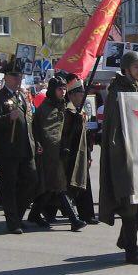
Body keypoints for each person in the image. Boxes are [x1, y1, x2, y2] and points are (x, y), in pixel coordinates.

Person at [98, 49, 138, 264]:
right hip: (122, 153)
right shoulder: (117, 92)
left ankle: (125, 239)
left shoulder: (135, 88)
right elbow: (115, 125)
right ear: (126, 68)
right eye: (136, 67)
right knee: (129, 202)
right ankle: (132, 250)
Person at [0, 59, 39, 234]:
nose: (18, 79)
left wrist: (34, 141)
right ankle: (12, 221)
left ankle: (18, 215)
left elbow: (29, 121)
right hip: (8, 149)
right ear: (7, 77)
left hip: (25, 147)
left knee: (32, 180)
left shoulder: (21, 96)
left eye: (20, 76)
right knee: (9, 186)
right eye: (15, 76)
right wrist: (9, 117)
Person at [32, 74, 86, 231]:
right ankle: (74, 220)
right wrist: (57, 146)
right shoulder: (45, 108)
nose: (62, 92)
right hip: (50, 154)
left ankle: (34, 214)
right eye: (59, 89)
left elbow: (67, 130)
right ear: (52, 90)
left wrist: (76, 120)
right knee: (60, 185)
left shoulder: (65, 107)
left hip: (63, 153)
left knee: (51, 187)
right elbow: (47, 132)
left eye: (64, 89)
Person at [60, 75, 98, 225]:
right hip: (70, 153)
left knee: (84, 182)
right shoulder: (67, 112)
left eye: (83, 94)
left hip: (81, 153)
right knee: (65, 185)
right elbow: (65, 134)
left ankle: (87, 214)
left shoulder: (80, 111)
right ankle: (45, 212)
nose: (83, 96)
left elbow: (86, 135)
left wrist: (88, 153)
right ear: (72, 95)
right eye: (80, 94)